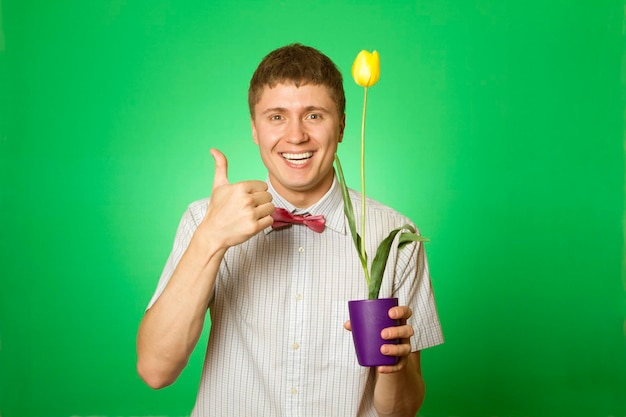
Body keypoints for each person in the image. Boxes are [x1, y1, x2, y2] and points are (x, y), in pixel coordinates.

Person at [136, 43, 443, 417]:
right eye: (276, 117)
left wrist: (394, 366)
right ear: (254, 128)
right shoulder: (205, 220)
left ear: (343, 125)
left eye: (314, 115)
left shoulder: (396, 236)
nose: (295, 136)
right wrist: (211, 239)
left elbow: (403, 411)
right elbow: (155, 370)